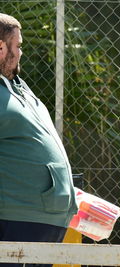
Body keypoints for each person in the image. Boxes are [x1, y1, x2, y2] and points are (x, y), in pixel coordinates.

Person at [0, 13, 77, 266]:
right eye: (18, 46)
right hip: (16, 218)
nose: (21, 53)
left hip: (45, 217)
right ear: (1, 48)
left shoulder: (17, 85)